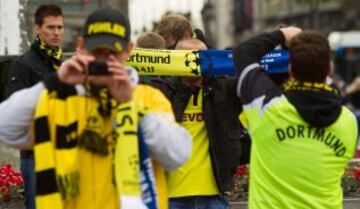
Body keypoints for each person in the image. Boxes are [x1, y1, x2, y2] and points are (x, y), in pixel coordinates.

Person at [0, 8, 191, 209]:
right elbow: (4, 127)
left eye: (112, 53)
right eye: (96, 52)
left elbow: (178, 155)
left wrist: (131, 106)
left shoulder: (148, 99)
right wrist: (55, 81)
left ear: (128, 50)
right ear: (81, 47)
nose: (104, 61)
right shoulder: (60, 99)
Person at [232, 27, 358, 208]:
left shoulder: (266, 106)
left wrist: (282, 34)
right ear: (329, 69)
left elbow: (244, 52)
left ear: (290, 69)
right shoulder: (348, 122)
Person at [151, 38, 249, 209]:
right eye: (188, 57)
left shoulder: (225, 89)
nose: (195, 62)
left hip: (214, 196)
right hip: (170, 196)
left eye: (201, 57)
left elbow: (256, 71)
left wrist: (283, 42)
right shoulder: (161, 91)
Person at [4, 4, 64, 209]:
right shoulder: (24, 64)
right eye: (51, 27)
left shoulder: (61, 64)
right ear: (38, 28)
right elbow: (13, 111)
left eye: (59, 27)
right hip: (36, 156)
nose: (57, 33)